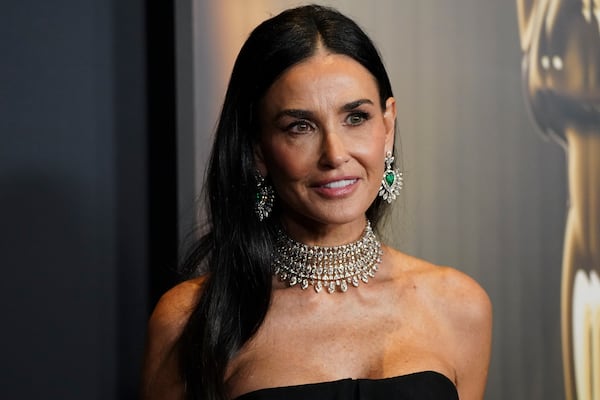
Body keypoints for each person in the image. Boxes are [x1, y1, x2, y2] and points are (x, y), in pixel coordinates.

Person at [141, 5, 492, 400]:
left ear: (388, 126)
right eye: (300, 127)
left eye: (356, 117)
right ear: (257, 148)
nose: (335, 154)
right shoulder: (190, 320)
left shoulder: (458, 306)